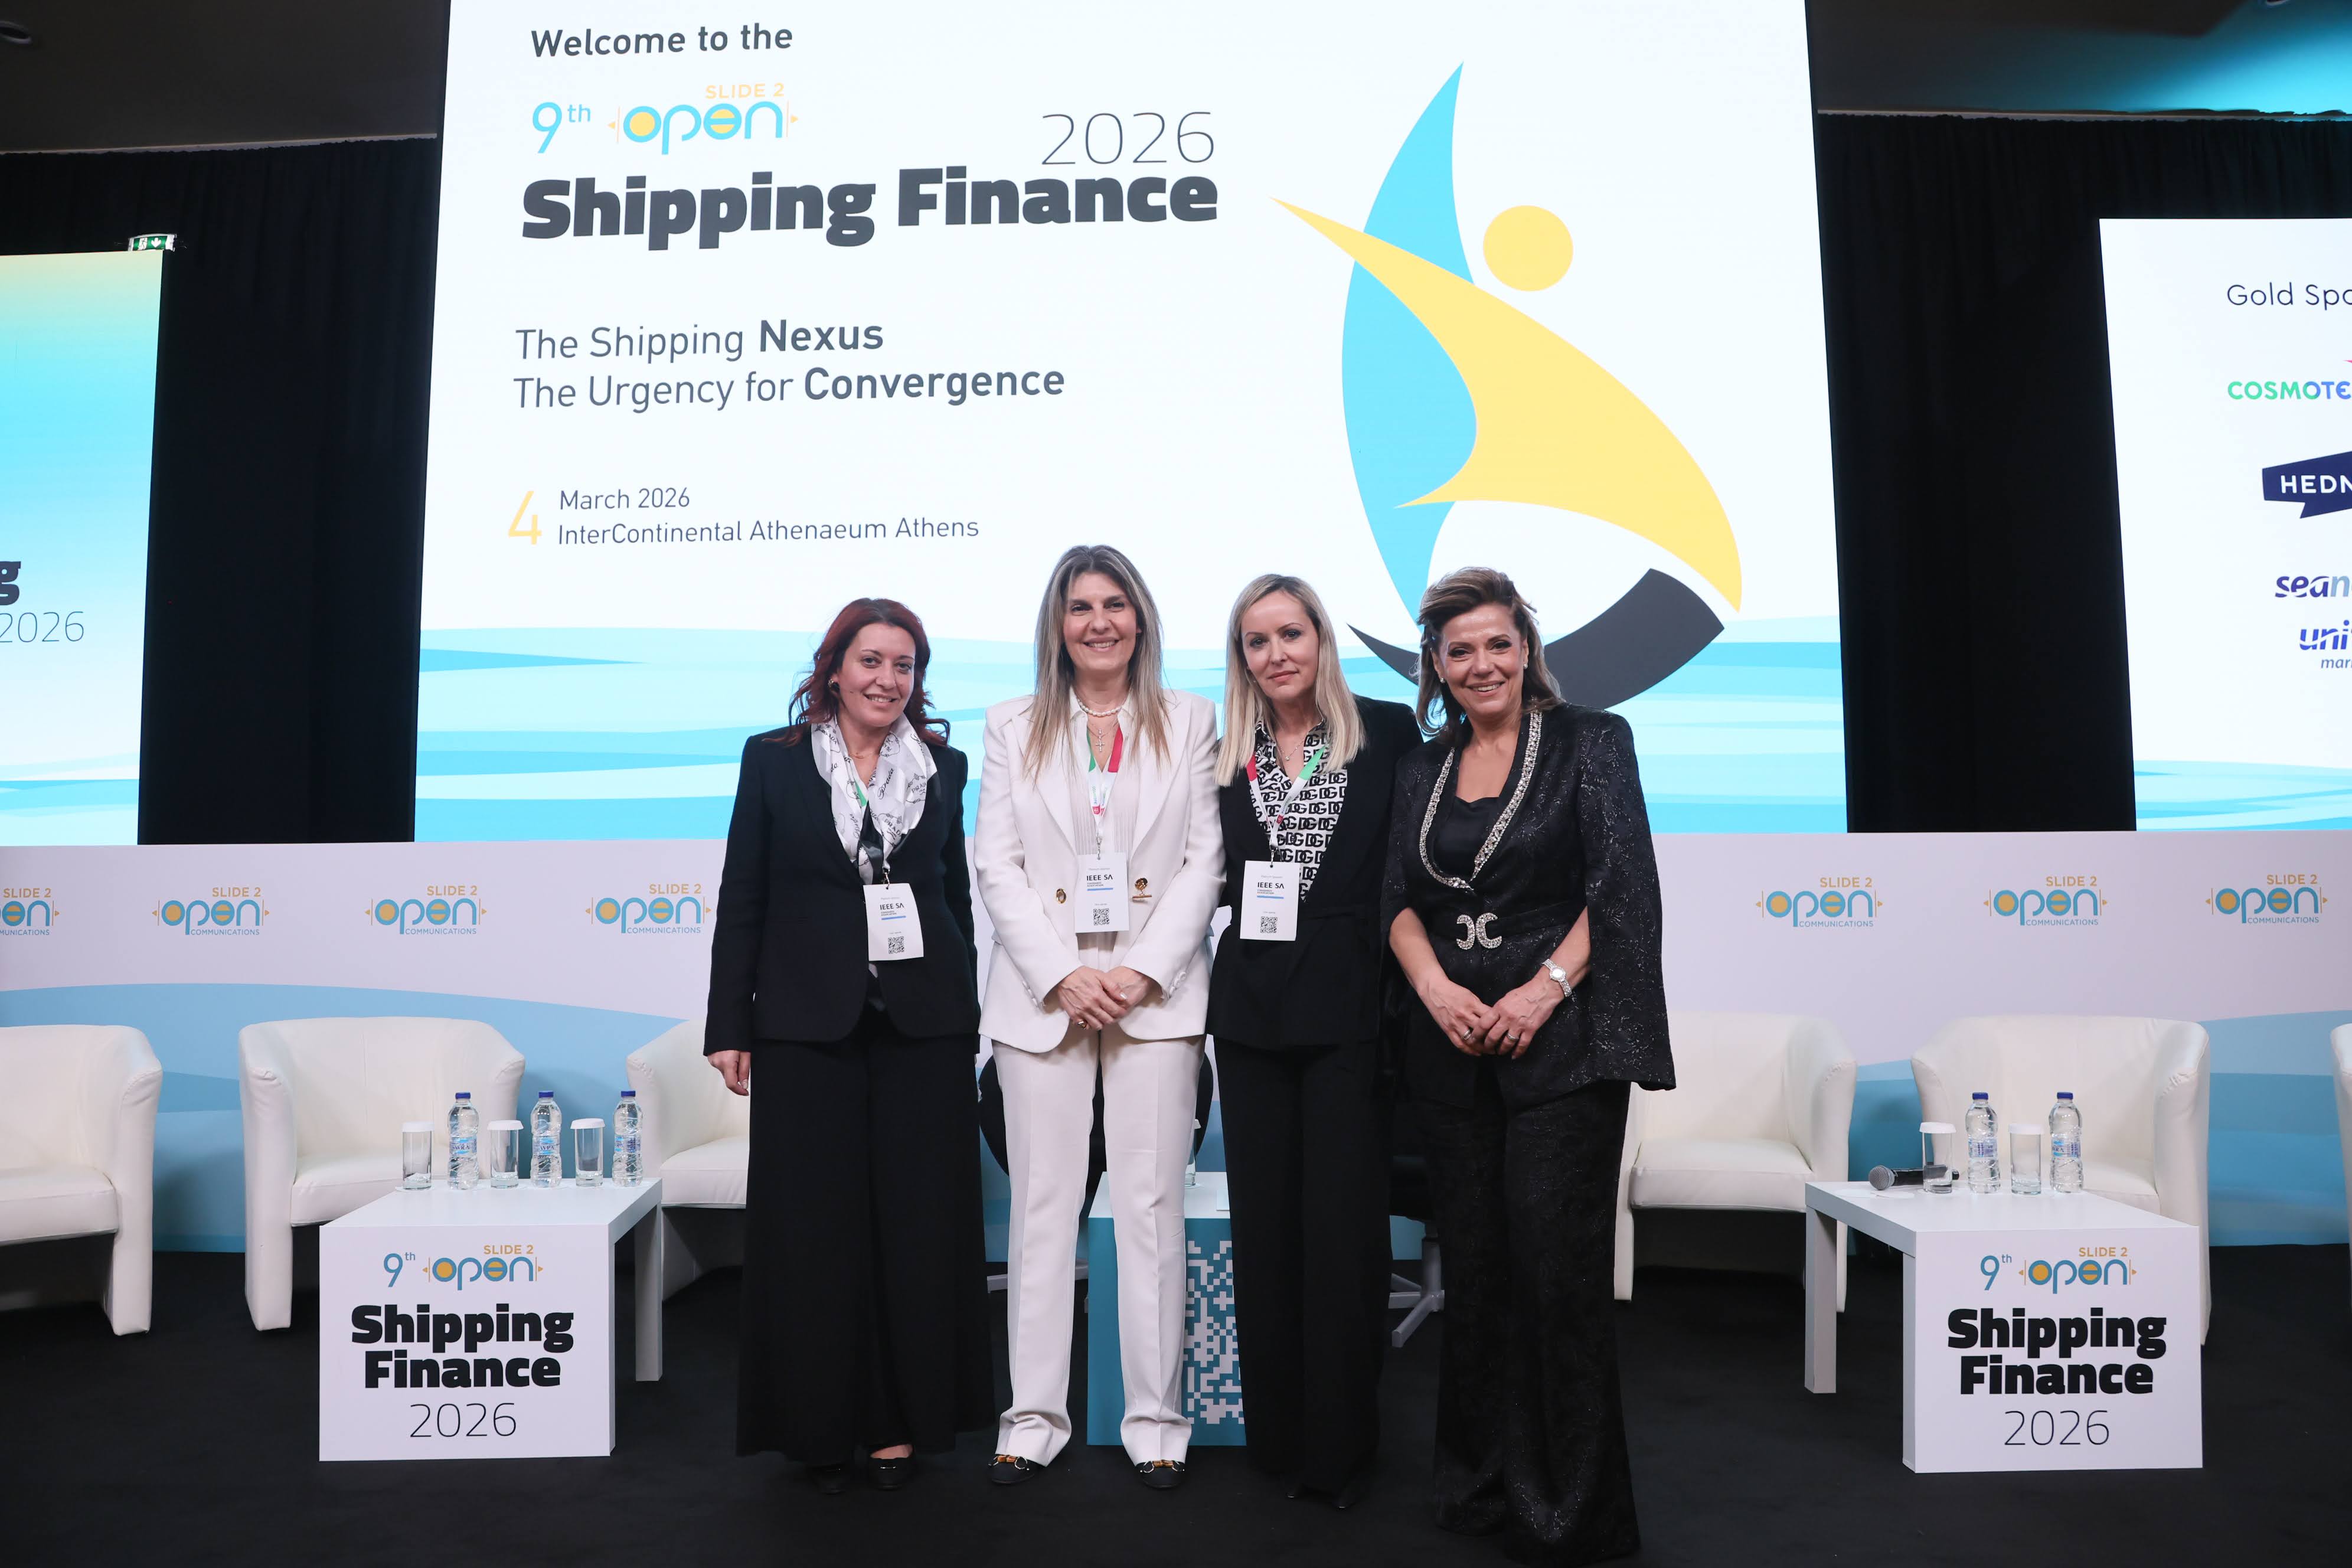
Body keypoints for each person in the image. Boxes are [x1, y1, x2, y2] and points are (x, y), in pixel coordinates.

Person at [1381, 567, 1672, 1564]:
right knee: (1477, 1276)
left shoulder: (1592, 742)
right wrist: (1436, 990)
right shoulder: (1420, 769)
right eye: (1459, 651)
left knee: (1555, 1277)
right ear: (1436, 666)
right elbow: (1396, 901)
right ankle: (1479, 1489)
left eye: (1497, 644)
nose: (1481, 665)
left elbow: (1621, 888)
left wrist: (1543, 989)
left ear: (1526, 649)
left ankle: (1570, 1512)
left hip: (1562, 1047)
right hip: (1452, 1050)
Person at [705, 597, 992, 1494]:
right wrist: (729, 1024)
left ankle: (902, 1425)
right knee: (814, 1232)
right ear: (834, 669)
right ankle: (822, 1425)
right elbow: (743, 894)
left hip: (922, 1028)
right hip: (805, 1025)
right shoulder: (774, 760)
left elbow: (951, 896)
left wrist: (966, 1014)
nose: (887, 680)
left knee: (916, 1229)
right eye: (871, 661)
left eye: (905, 665)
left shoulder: (943, 766)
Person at [974, 544, 1223, 1490]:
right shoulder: (1012, 724)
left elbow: (1204, 862)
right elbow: (996, 865)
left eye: (1115, 604)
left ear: (1141, 618)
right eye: (1080, 607)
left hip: (1154, 997)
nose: (1099, 622)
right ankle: (1031, 1418)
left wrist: (1140, 971)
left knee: (1151, 1209)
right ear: (1058, 625)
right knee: (1044, 1210)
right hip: (1045, 998)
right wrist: (1064, 975)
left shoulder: (1190, 718)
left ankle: (1156, 1421)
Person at [1206, 573, 1419, 1508]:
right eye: (1257, 641)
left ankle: (1339, 1446)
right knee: (1266, 1230)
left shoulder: (1387, 733)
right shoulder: (1225, 753)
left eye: (1290, 634)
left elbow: (1412, 868)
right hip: (1251, 1011)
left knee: (1341, 1233)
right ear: (1242, 658)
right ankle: (1278, 1439)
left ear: (1321, 640)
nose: (1276, 654)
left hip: (1349, 1007)